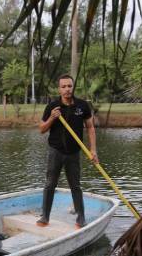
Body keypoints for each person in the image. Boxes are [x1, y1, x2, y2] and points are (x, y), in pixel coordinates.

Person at [36, 74, 98, 228]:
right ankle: (45, 217)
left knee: (75, 186)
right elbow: (42, 129)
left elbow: (90, 128)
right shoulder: (52, 106)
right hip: (55, 151)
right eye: (63, 86)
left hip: (74, 153)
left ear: (73, 87)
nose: (67, 89)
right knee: (50, 184)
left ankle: (80, 218)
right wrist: (52, 118)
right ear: (59, 89)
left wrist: (93, 150)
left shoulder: (82, 106)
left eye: (69, 86)